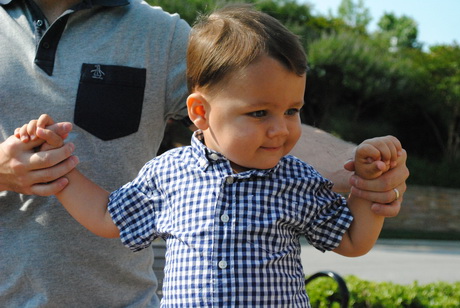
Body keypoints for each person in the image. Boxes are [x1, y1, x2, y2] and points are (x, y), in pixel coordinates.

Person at [0, 1, 408, 307]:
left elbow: (353, 240)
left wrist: (367, 184)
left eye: (293, 110)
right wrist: (58, 166)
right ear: (200, 112)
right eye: (260, 113)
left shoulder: (296, 179)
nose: (281, 129)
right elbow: (108, 216)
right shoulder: (169, 173)